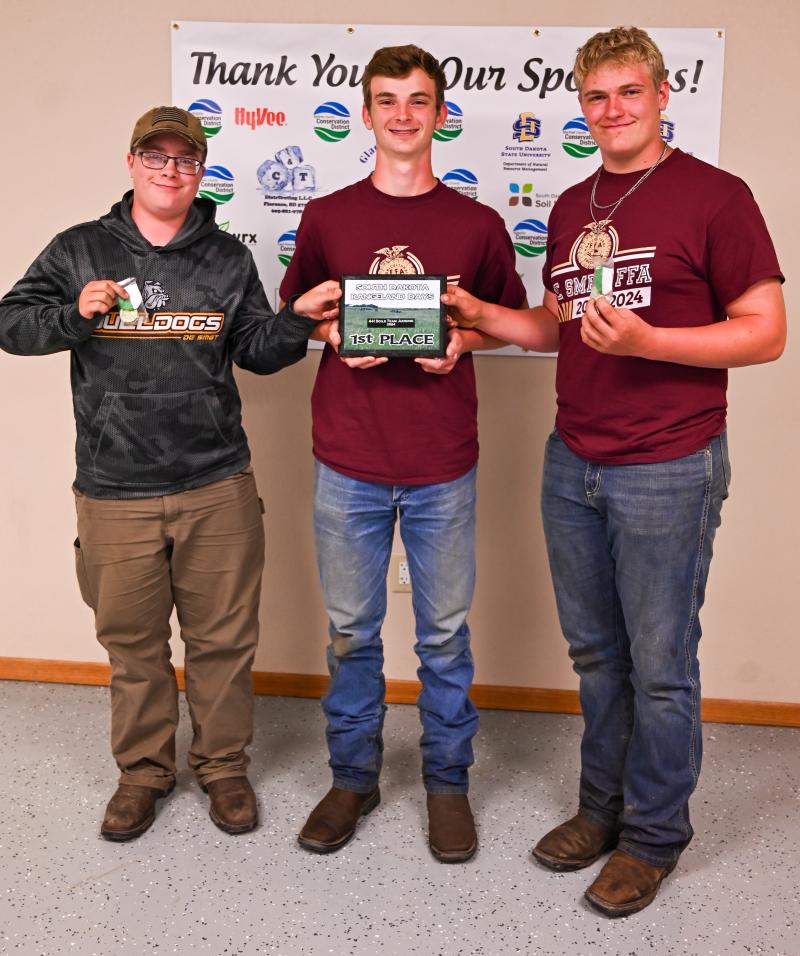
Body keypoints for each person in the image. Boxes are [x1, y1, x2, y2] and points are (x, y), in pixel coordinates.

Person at [443, 26, 785, 911]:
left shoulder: (716, 197)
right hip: (576, 461)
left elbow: (766, 330)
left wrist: (653, 340)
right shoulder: (571, 204)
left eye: (629, 91)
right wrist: (484, 316)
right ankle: (602, 810)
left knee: (661, 661)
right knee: (597, 655)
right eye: (595, 96)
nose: (612, 109)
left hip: (669, 463)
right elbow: (557, 326)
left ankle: (655, 836)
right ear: (582, 106)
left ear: (663, 95)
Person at [0, 106, 340, 842]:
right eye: (155, 157)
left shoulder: (224, 258)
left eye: (184, 160)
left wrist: (300, 320)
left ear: (198, 173)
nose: (168, 170)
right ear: (130, 165)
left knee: (222, 639)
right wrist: (72, 315)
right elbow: (10, 323)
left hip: (215, 483)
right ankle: (144, 772)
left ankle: (222, 766)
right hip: (114, 490)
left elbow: (255, 347)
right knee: (134, 643)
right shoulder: (80, 249)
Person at [279, 45, 526, 862]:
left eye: (418, 100)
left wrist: (461, 342)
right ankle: (353, 776)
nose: (403, 115)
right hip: (346, 456)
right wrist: (330, 335)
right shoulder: (327, 216)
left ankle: (447, 783)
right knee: (352, 630)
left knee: (445, 633)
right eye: (387, 99)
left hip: (441, 461)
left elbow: (502, 322)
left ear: (439, 113)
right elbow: (299, 315)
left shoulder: (479, 224)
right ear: (366, 111)